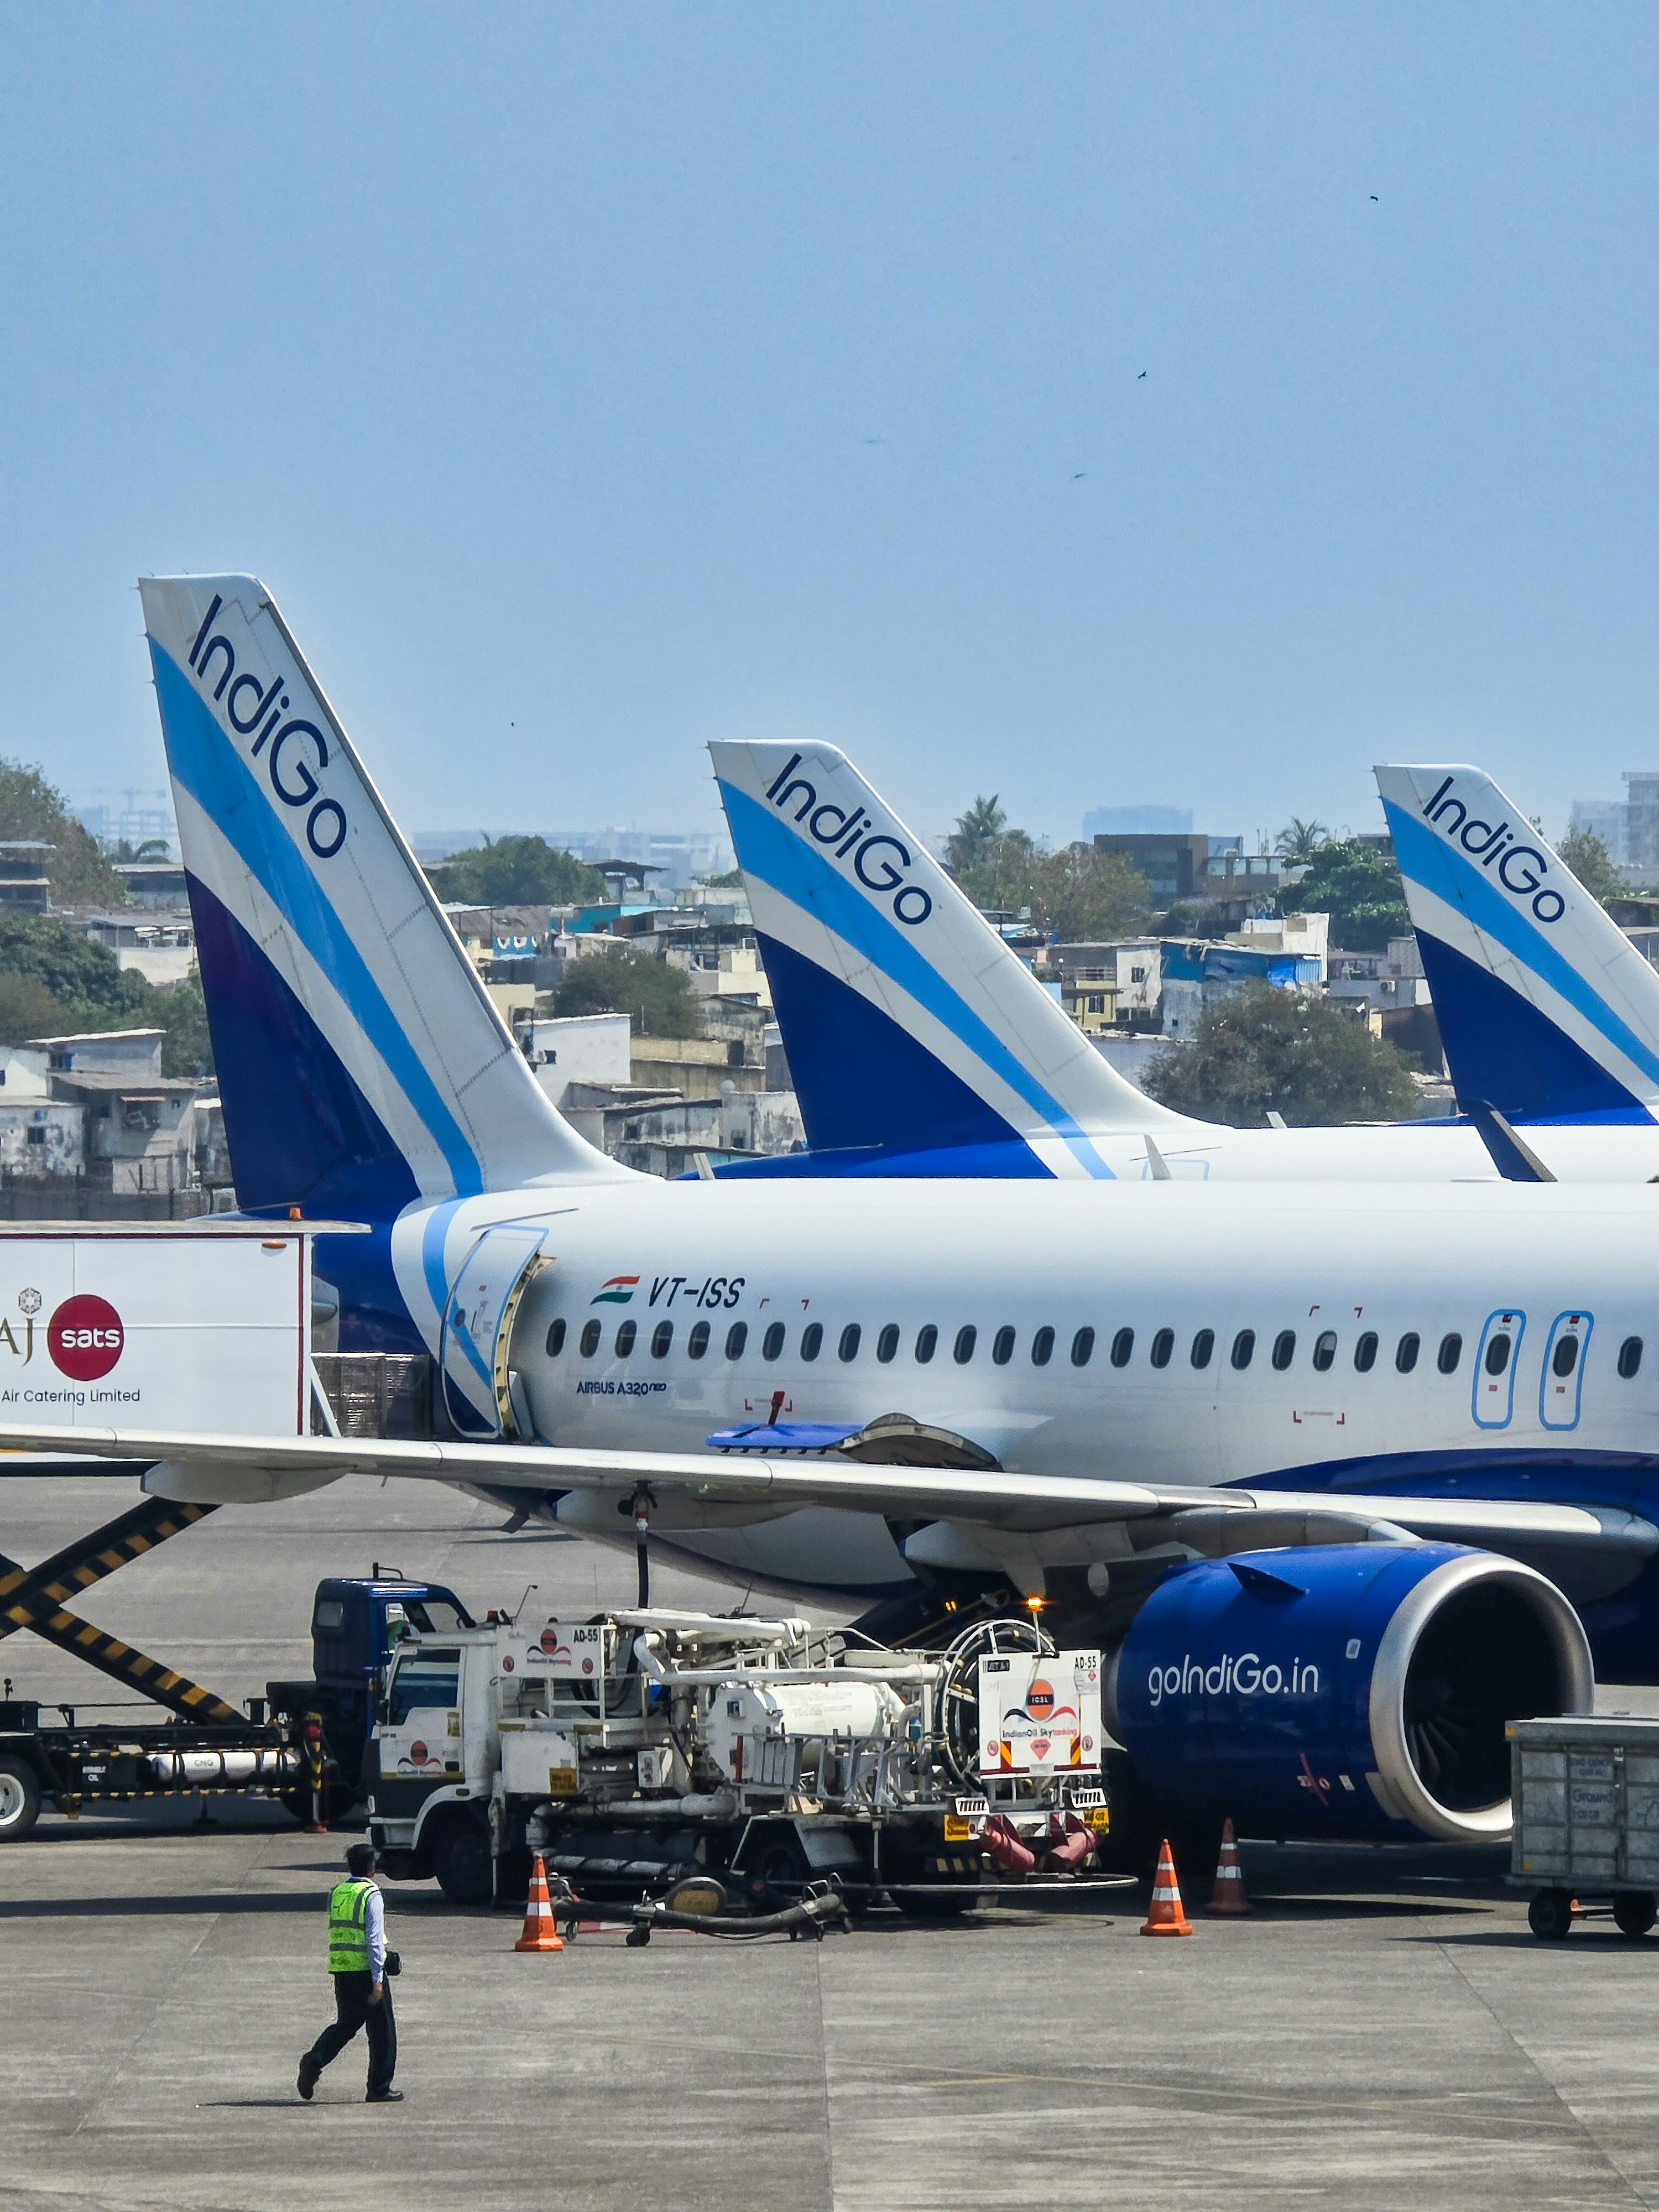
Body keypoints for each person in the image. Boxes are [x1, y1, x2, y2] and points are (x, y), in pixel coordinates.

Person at [298, 1841, 401, 2104]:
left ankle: (314, 2061)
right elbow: (374, 1940)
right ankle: (379, 2088)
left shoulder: (338, 1893)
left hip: (342, 1971)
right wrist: (379, 1979)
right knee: (383, 2032)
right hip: (366, 1972)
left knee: (346, 2024)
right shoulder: (371, 1894)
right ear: (371, 1867)